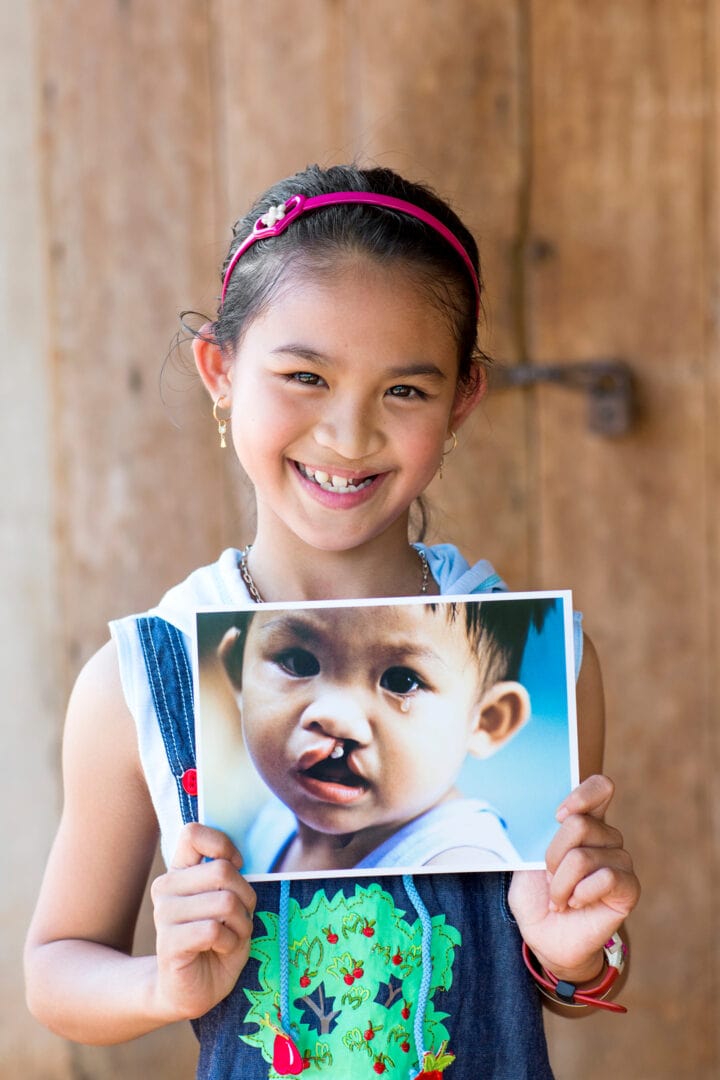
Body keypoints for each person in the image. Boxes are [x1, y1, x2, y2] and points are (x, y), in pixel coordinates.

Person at [25, 163, 640, 1080]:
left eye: (405, 391)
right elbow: (55, 968)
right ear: (220, 371)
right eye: (304, 375)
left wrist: (577, 950)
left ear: (464, 398)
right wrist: (166, 985)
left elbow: (554, 976)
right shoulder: (138, 679)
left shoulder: (537, 670)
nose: (348, 437)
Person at [215, 597, 555, 874]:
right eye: (298, 662)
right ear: (237, 673)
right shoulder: (269, 823)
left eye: (401, 681)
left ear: (485, 720)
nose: (337, 719)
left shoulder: (463, 868)